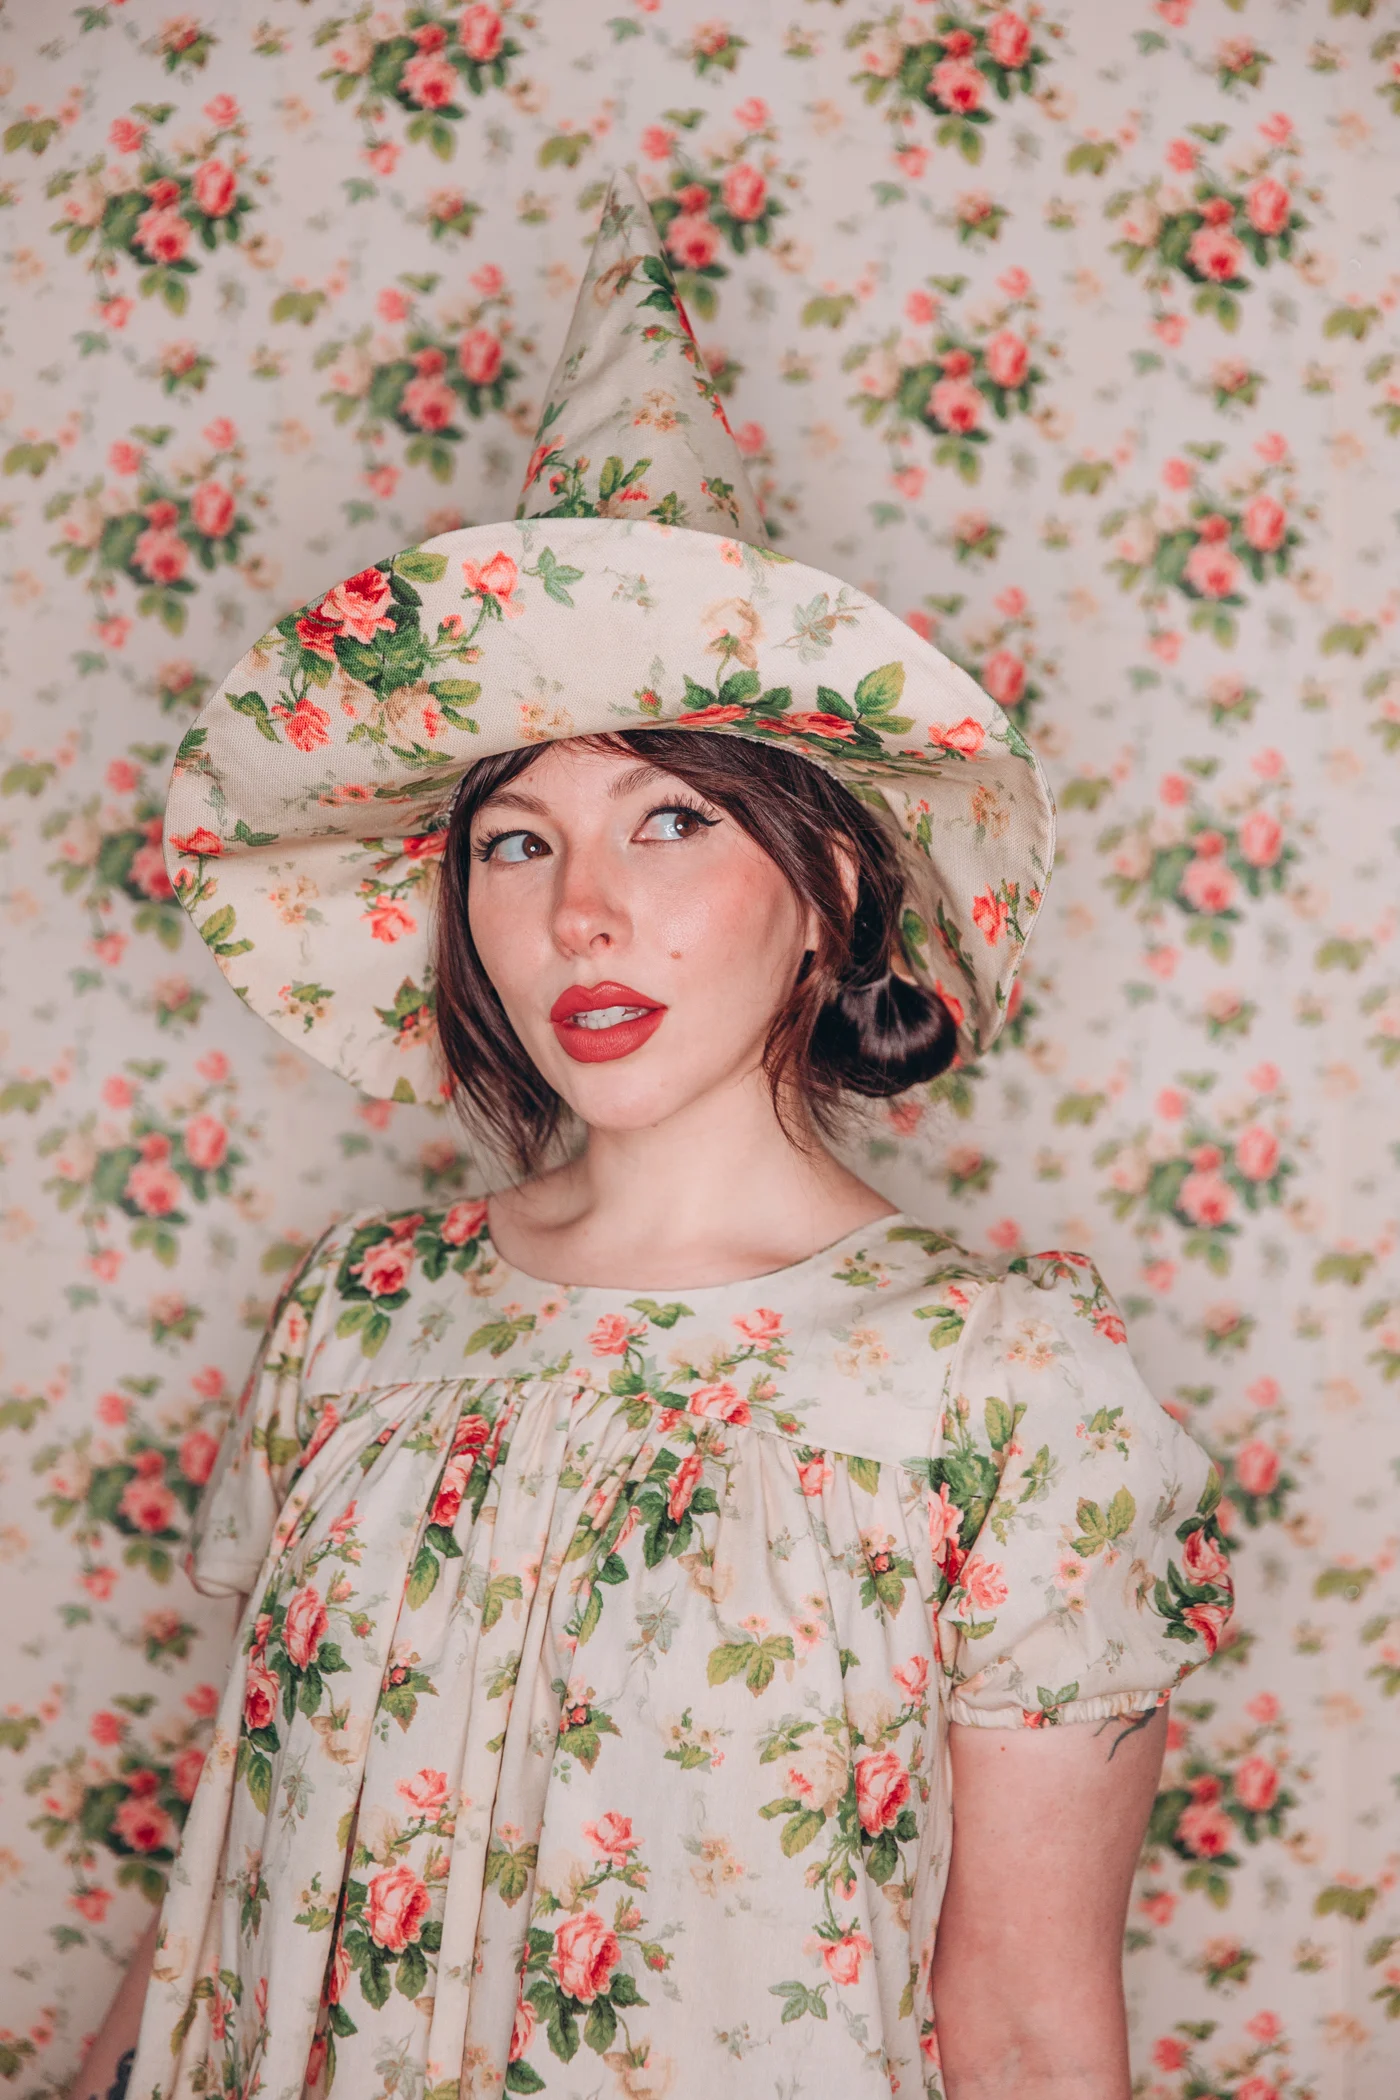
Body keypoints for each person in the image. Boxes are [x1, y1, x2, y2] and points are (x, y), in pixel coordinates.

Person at [70, 174, 1232, 2100]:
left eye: (671, 821)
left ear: (831, 877)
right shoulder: (363, 1307)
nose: (580, 912)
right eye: (519, 841)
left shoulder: (1009, 1384)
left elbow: (1029, 2027)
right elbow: (234, 1876)